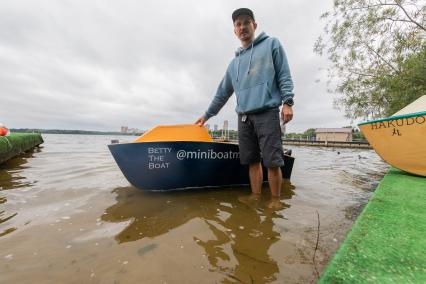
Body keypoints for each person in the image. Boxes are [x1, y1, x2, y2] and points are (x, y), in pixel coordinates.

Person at [195, 8, 294, 203]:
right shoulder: (234, 64)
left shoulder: (272, 44)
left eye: (246, 22)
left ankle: (275, 202)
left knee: (273, 162)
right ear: (235, 31)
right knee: (252, 161)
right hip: (244, 117)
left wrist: (288, 102)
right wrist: (206, 115)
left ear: (254, 25)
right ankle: (255, 196)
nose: (242, 27)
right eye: (238, 24)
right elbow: (222, 92)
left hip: (267, 112)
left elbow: (284, 74)